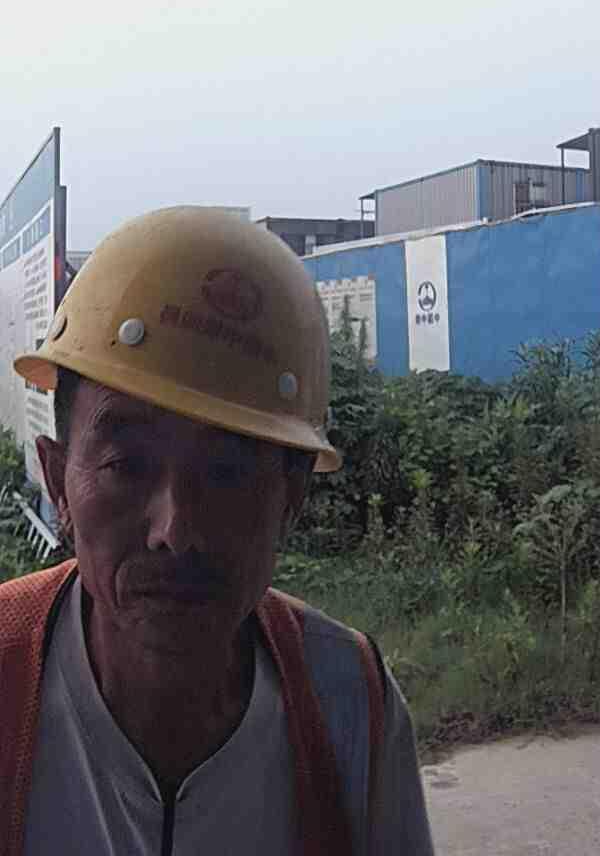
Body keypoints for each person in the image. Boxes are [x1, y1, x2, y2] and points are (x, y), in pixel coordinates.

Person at [0, 207, 434, 855]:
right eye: (127, 465)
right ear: (59, 479)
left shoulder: (349, 703)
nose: (175, 530)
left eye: (227, 473)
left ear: (291, 498)